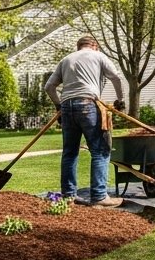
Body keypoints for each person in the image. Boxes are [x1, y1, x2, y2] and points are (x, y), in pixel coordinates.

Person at [45, 35, 128, 207]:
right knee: (100, 150)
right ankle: (99, 196)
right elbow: (116, 77)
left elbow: (49, 87)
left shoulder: (66, 60)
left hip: (67, 106)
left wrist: (58, 106)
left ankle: (68, 196)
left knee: (70, 152)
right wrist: (120, 100)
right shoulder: (98, 56)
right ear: (95, 45)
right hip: (88, 103)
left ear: (79, 47)